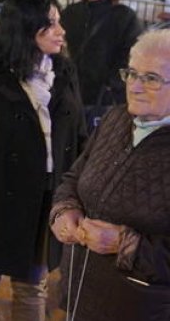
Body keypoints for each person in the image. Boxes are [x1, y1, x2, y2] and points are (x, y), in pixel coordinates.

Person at [0, 0, 86, 321]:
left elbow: (79, 136)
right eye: (51, 24)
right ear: (26, 27)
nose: (61, 31)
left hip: (44, 199)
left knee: (33, 286)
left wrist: (77, 196)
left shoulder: (63, 70)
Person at [50, 28, 170, 320]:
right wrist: (64, 211)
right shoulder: (115, 119)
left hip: (139, 308)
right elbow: (72, 179)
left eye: (151, 78)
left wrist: (121, 243)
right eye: (132, 73)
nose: (135, 86)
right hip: (79, 293)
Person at [61, 0, 143, 132]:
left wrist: (112, 83)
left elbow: (133, 53)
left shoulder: (123, 16)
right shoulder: (71, 13)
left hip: (106, 95)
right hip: (73, 91)